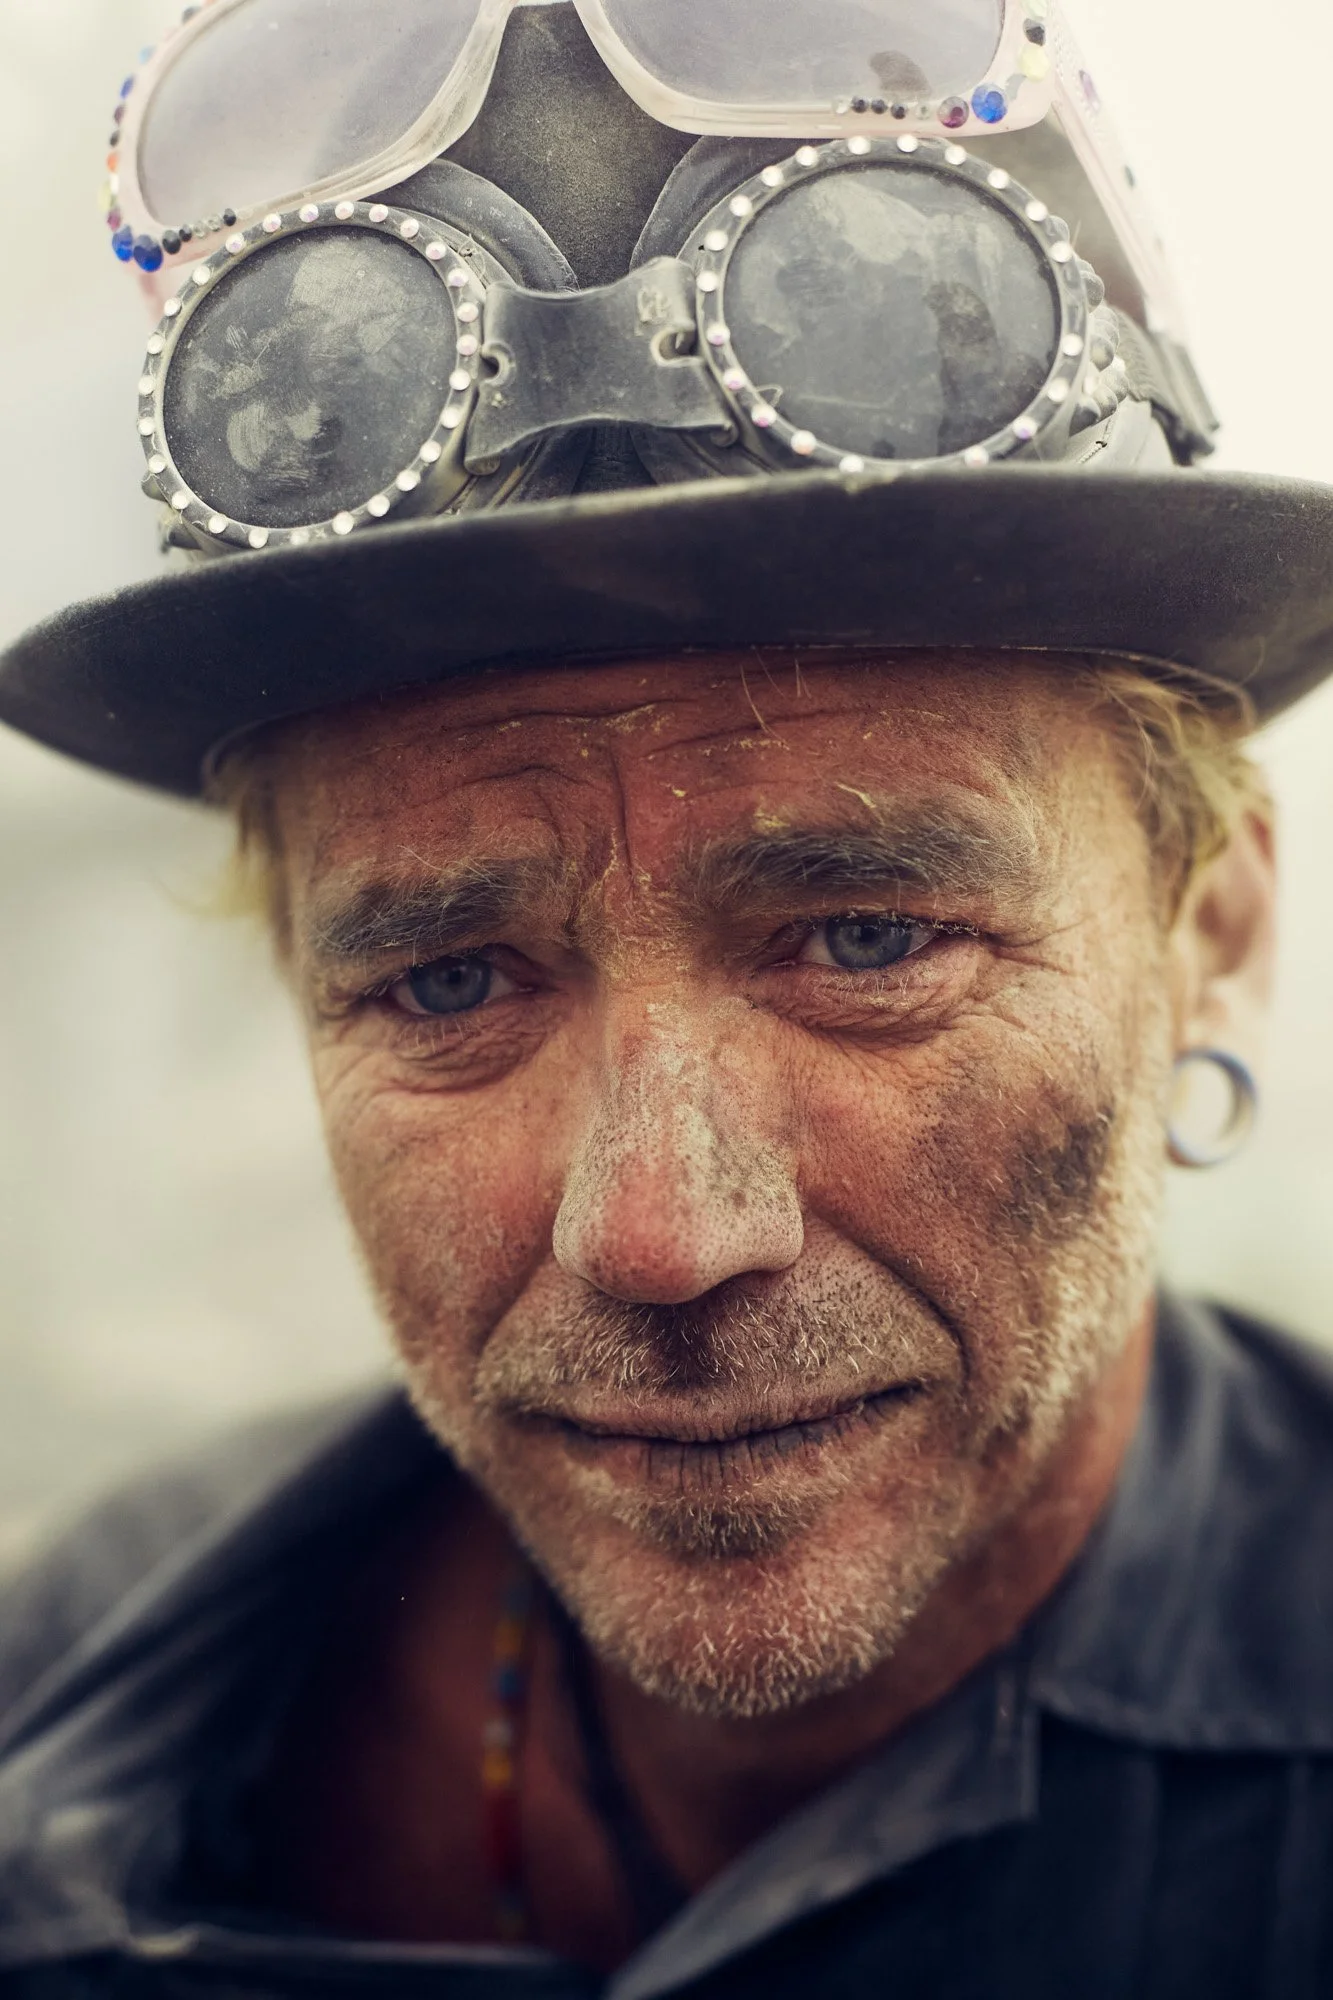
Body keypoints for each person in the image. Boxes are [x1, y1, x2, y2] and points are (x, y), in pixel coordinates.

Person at [2, 2, 1333, 1993]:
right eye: (450, 976)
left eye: (867, 938)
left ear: (1208, 922)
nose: (661, 1230)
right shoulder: (74, 1692)